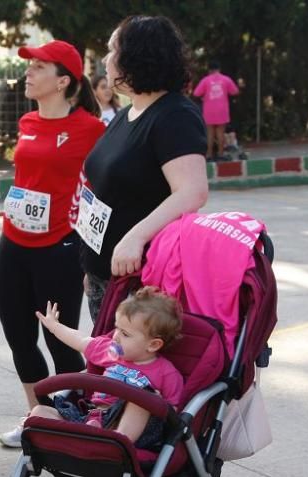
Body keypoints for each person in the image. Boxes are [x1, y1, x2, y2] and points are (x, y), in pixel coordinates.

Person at [0, 40, 105, 448]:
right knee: (19, 338)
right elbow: (30, 178)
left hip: (60, 248)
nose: (29, 73)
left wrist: (90, 253)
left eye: (39, 67)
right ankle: (37, 418)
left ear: (63, 81)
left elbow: (100, 190)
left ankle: (77, 422)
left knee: (61, 340)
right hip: (12, 243)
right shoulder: (26, 121)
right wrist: (16, 203)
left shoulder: (91, 130)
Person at [73, 15, 208, 321]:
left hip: (142, 282)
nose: (106, 60)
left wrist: (136, 238)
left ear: (136, 56)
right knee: (106, 366)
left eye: (112, 50)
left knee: (131, 369)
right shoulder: (127, 113)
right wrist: (90, 265)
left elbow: (192, 191)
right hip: (104, 275)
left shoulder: (175, 115)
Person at [31, 287, 184, 445]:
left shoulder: (167, 373)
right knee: (39, 412)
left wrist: (156, 402)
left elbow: (174, 413)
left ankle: (114, 442)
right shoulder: (111, 351)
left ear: (153, 345)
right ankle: (84, 439)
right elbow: (82, 340)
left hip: (130, 426)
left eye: (125, 334)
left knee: (142, 399)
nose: (116, 336)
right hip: (94, 414)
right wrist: (54, 327)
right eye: (117, 328)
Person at [192, 61, 239, 160]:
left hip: (209, 110)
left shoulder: (205, 80)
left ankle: (209, 154)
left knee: (210, 133)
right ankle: (221, 154)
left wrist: (204, 96)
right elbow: (235, 91)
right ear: (219, 69)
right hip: (222, 110)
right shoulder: (226, 79)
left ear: (209, 70)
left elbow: (196, 93)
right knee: (220, 132)